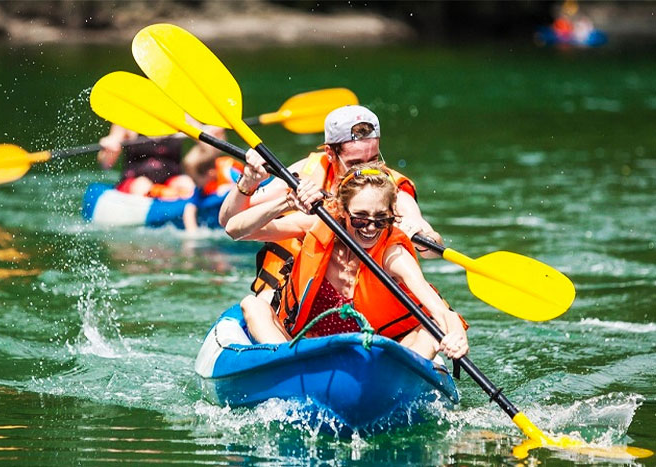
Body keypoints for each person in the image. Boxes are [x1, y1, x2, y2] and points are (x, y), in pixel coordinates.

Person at [225, 163, 469, 361]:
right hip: (307, 351)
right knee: (253, 305)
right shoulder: (319, 226)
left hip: (376, 358)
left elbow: (438, 309)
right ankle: (288, 369)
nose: (371, 228)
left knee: (430, 330)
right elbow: (234, 229)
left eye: (381, 219)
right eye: (360, 218)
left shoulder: (392, 253)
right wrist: (287, 202)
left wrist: (456, 335)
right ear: (342, 211)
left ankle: (391, 389)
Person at [219, 105, 442, 310]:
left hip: (365, 299)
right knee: (263, 303)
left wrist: (424, 238)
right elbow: (230, 222)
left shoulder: (390, 189)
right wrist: (248, 182)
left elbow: (431, 247)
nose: (364, 171)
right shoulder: (305, 174)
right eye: (355, 163)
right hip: (295, 291)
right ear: (330, 153)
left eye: (373, 160)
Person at [97, 124, 236, 231]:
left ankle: (189, 216)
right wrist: (110, 150)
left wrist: (215, 136)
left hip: (171, 179)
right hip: (136, 180)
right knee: (143, 185)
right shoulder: (126, 119)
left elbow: (208, 145)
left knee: (186, 183)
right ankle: (157, 216)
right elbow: (105, 164)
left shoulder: (179, 116)